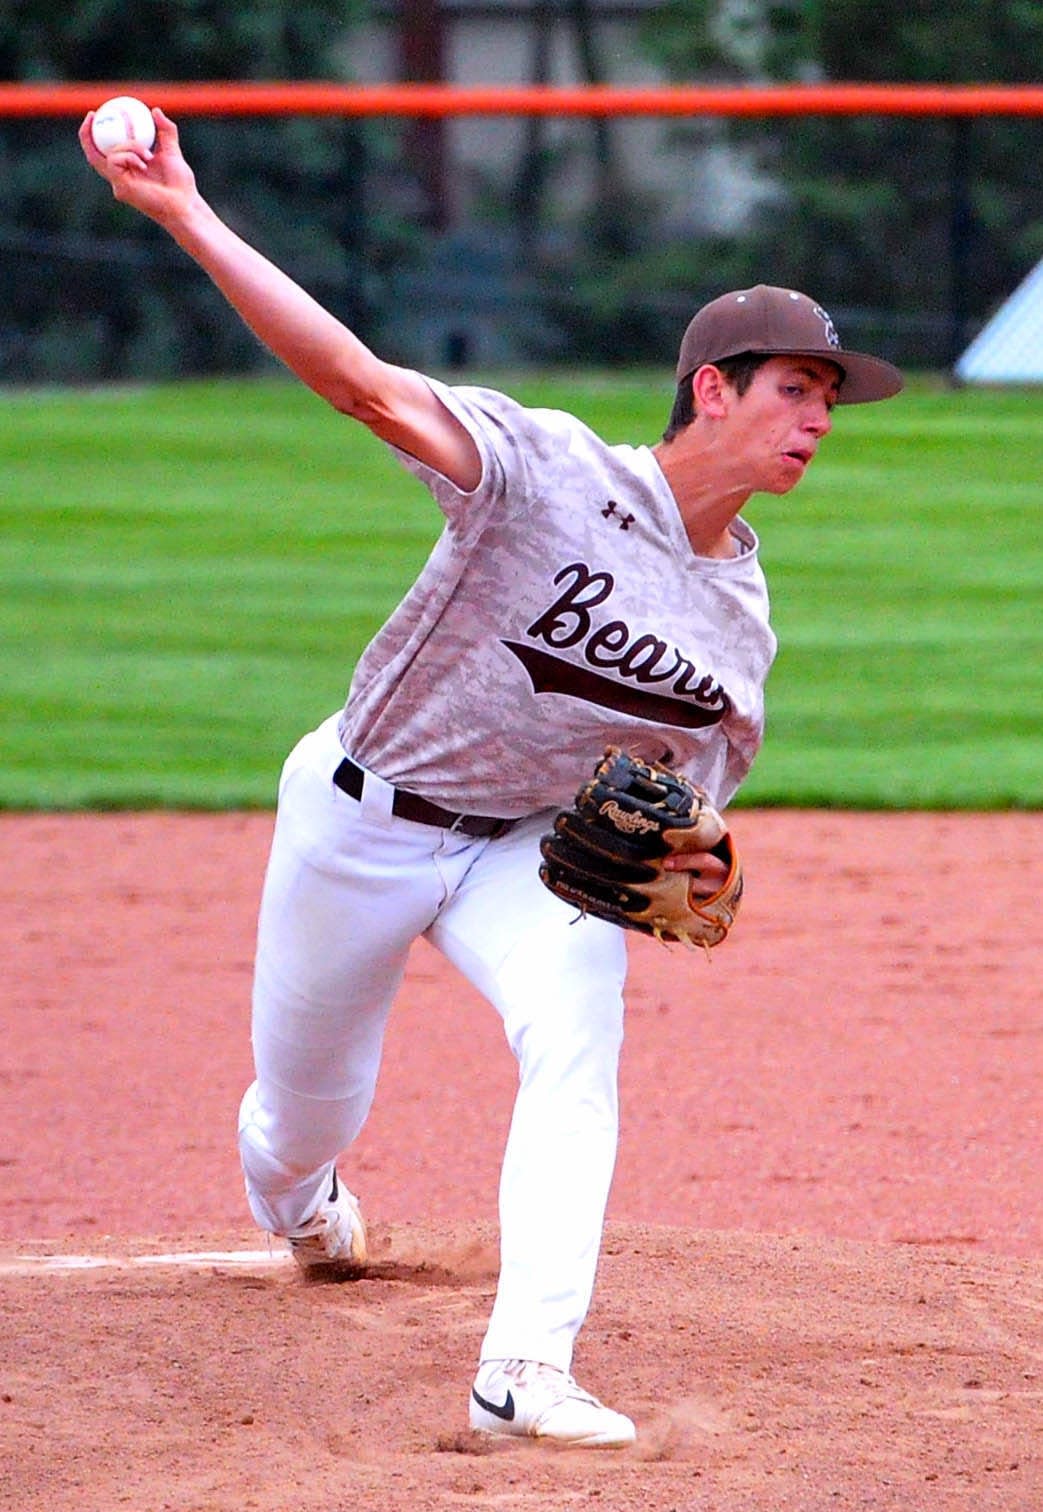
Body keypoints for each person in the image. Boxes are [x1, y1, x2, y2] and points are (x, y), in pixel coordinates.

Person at [81, 106, 903, 1449]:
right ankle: (307, 1212)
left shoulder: (739, 618)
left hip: (518, 851)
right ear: (712, 388)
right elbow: (358, 381)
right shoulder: (548, 470)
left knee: (582, 1028)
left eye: (829, 400)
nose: (819, 418)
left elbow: (689, 812)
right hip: (360, 817)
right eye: (795, 389)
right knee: (300, 1117)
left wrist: (693, 858)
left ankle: (526, 1366)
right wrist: (184, 211)